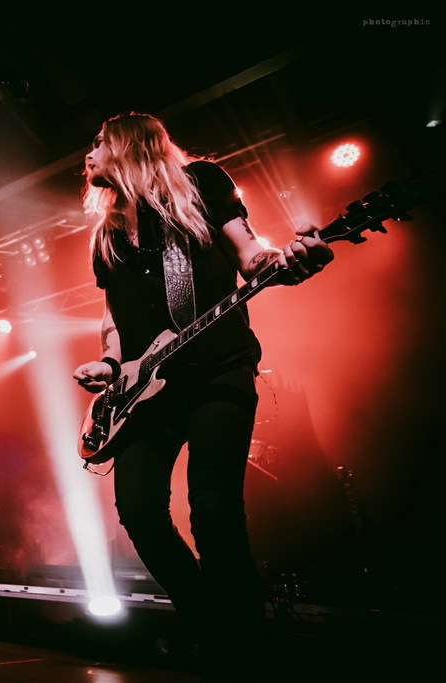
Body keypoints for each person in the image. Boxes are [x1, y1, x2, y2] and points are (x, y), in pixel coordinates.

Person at [71, 113, 333, 682]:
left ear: (129, 146)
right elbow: (114, 319)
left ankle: (240, 654)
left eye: (98, 143)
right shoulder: (106, 235)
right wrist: (111, 364)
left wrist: (283, 261)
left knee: (214, 512)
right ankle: (216, 627)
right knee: (138, 512)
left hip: (218, 371)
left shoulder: (203, 185)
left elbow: (250, 254)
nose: (87, 155)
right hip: (146, 391)